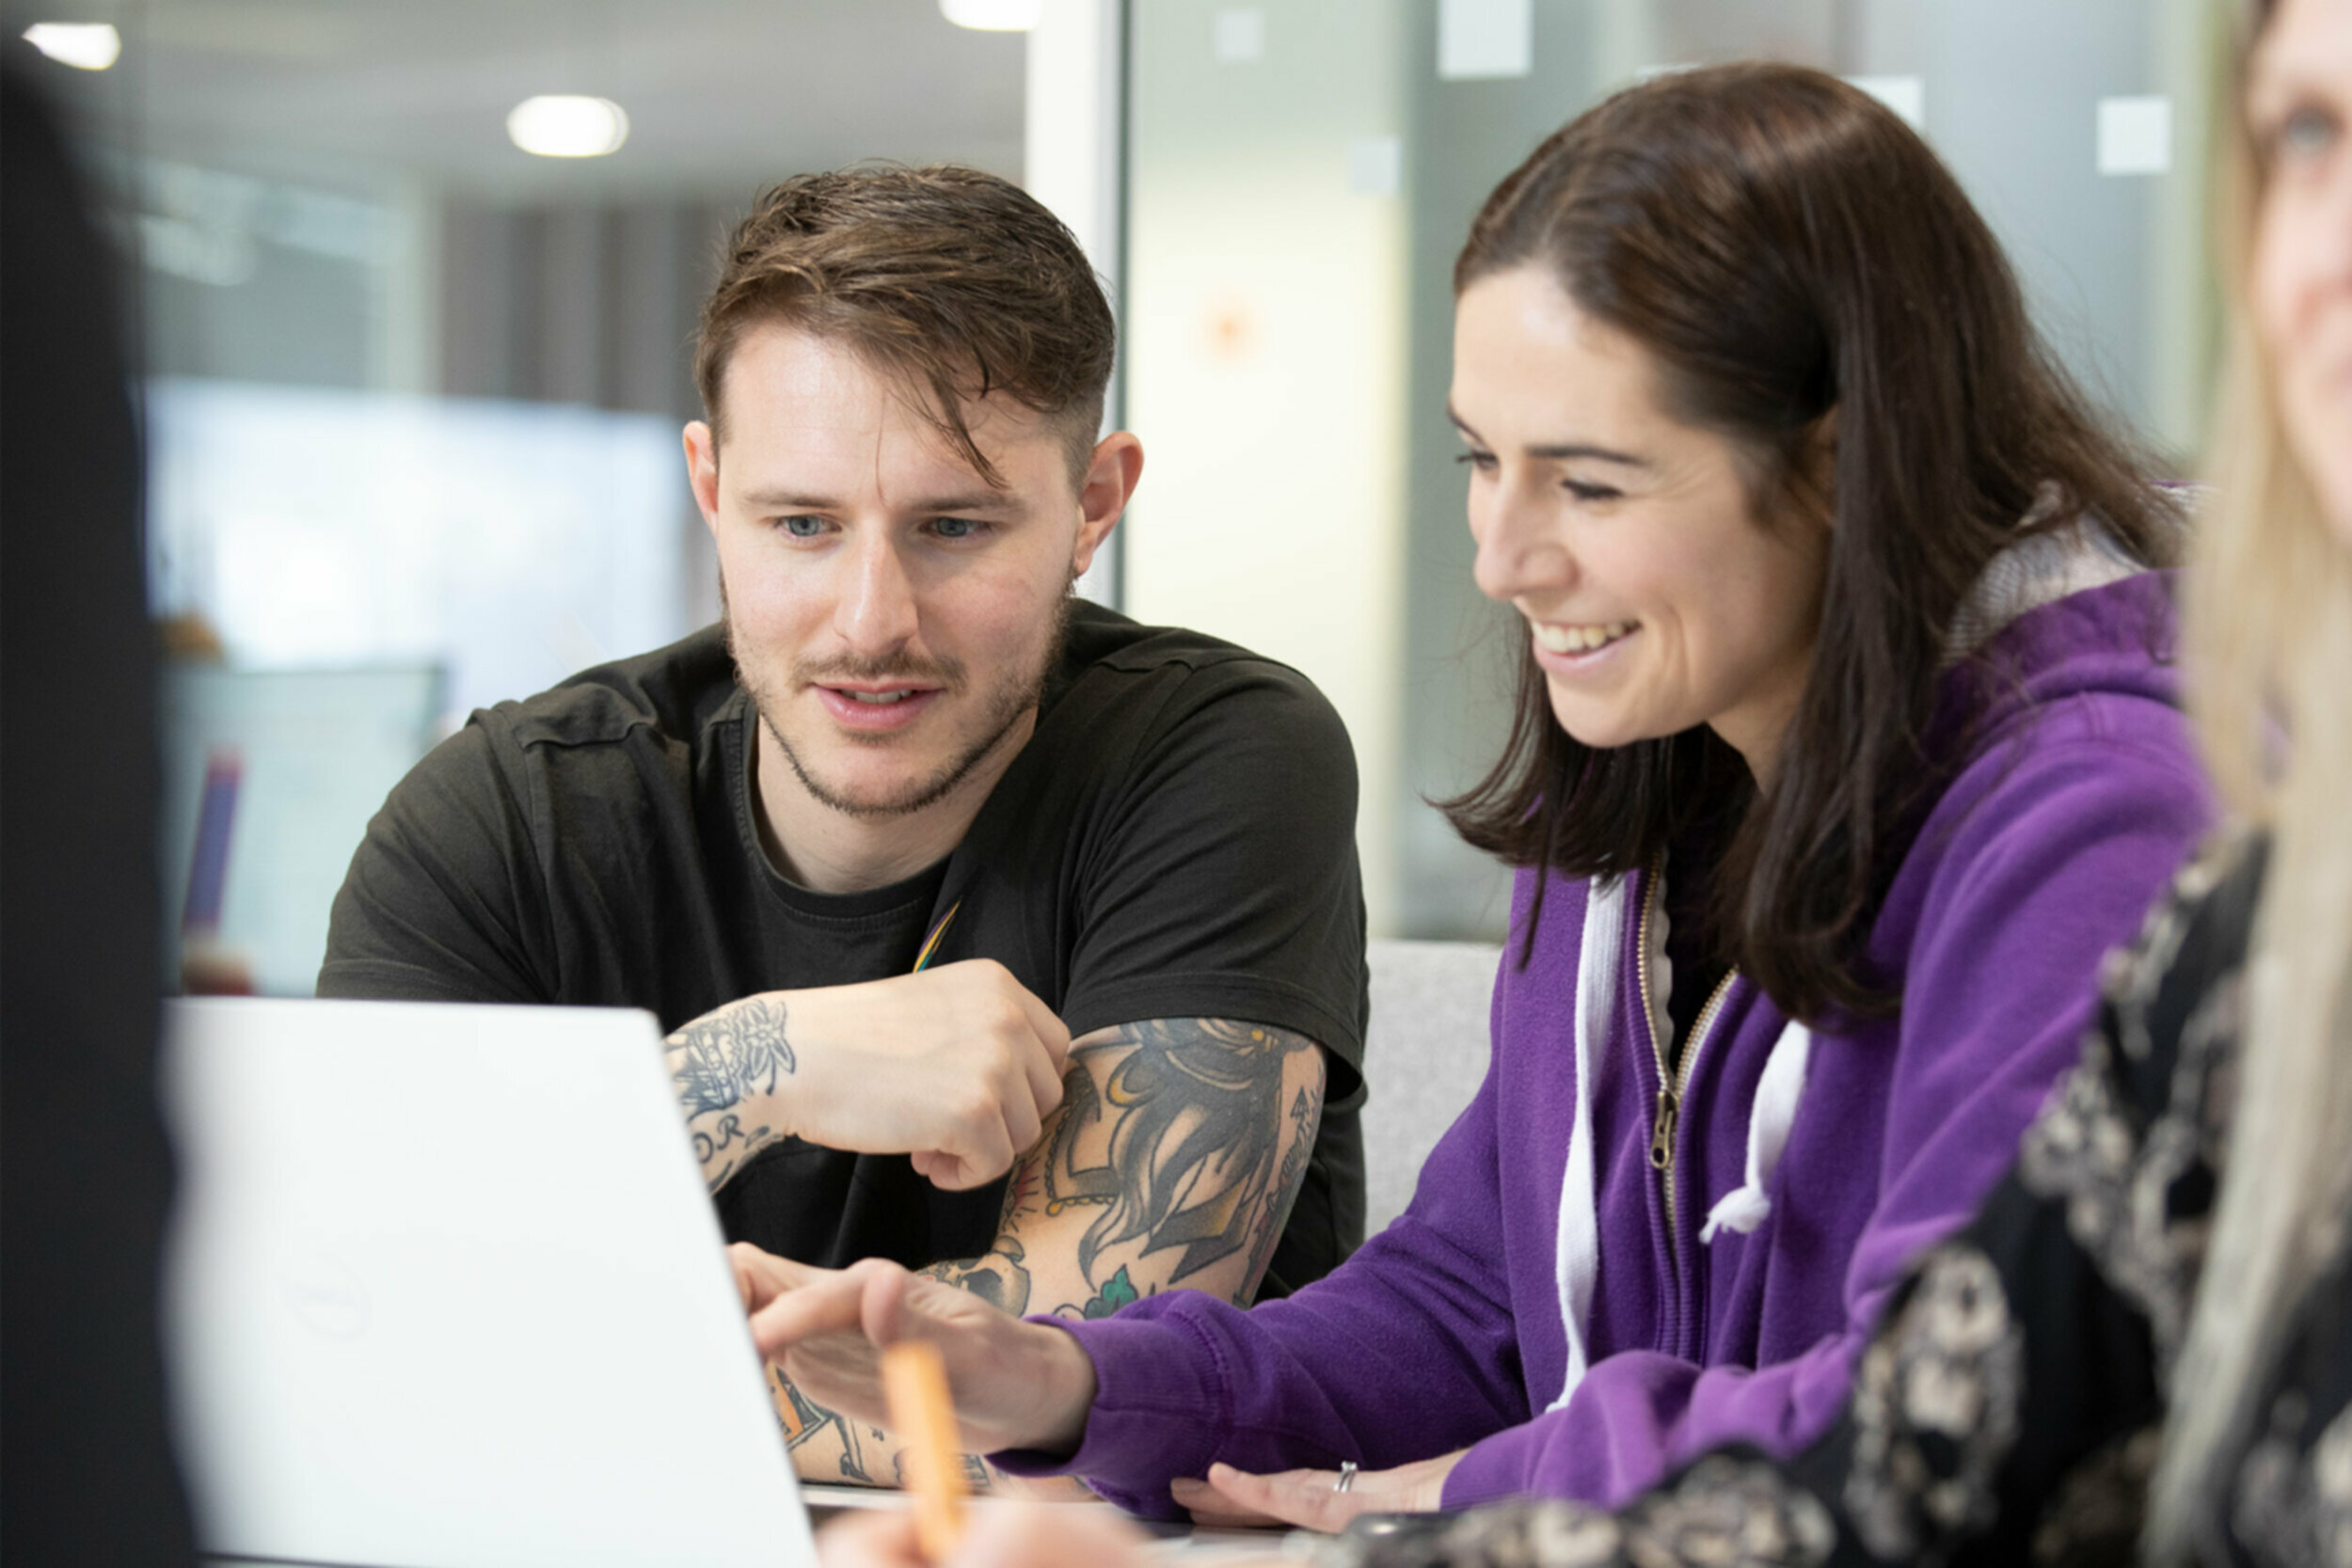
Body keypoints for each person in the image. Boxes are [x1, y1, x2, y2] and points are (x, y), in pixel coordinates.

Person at [819, 1, 2352, 1563]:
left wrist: (1481, 1490)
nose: (1500, 555)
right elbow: (1468, 1304)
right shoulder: (1645, 776)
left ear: (1842, 466)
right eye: (1484, 458)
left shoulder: (2103, 815)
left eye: (1592, 483)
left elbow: (1944, 1432)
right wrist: (1068, 1380)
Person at [317, 166, 1370, 1492]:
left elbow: (1082, 1381)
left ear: (1096, 502)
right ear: (710, 486)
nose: (872, 620)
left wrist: (529, 1346)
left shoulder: (1217, 758)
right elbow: (346, 1301)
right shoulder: (505, 814)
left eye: (954, 526)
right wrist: (749, 1068)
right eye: (802, 523)